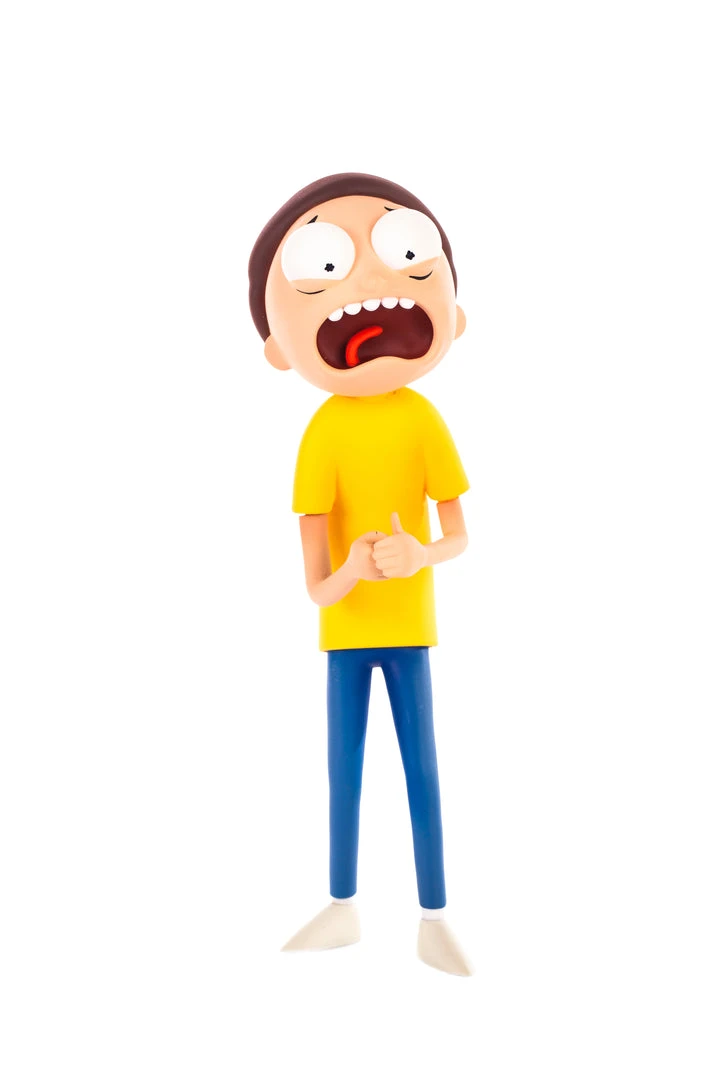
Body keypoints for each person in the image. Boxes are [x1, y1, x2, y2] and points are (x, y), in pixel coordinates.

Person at [248, 173, 472, 975]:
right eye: (322, 266)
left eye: (408, 253)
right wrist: (349, 570)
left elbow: (458, 535)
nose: (373, 282)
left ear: (457, 314)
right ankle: (341, 904)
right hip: (345, 634)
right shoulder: (322, 433)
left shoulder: (422, 420)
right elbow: (315, 587)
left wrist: (420, 556)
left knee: (423, 772)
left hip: (408, 629)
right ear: (279, 349)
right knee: (343, 775)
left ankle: (434, 914)